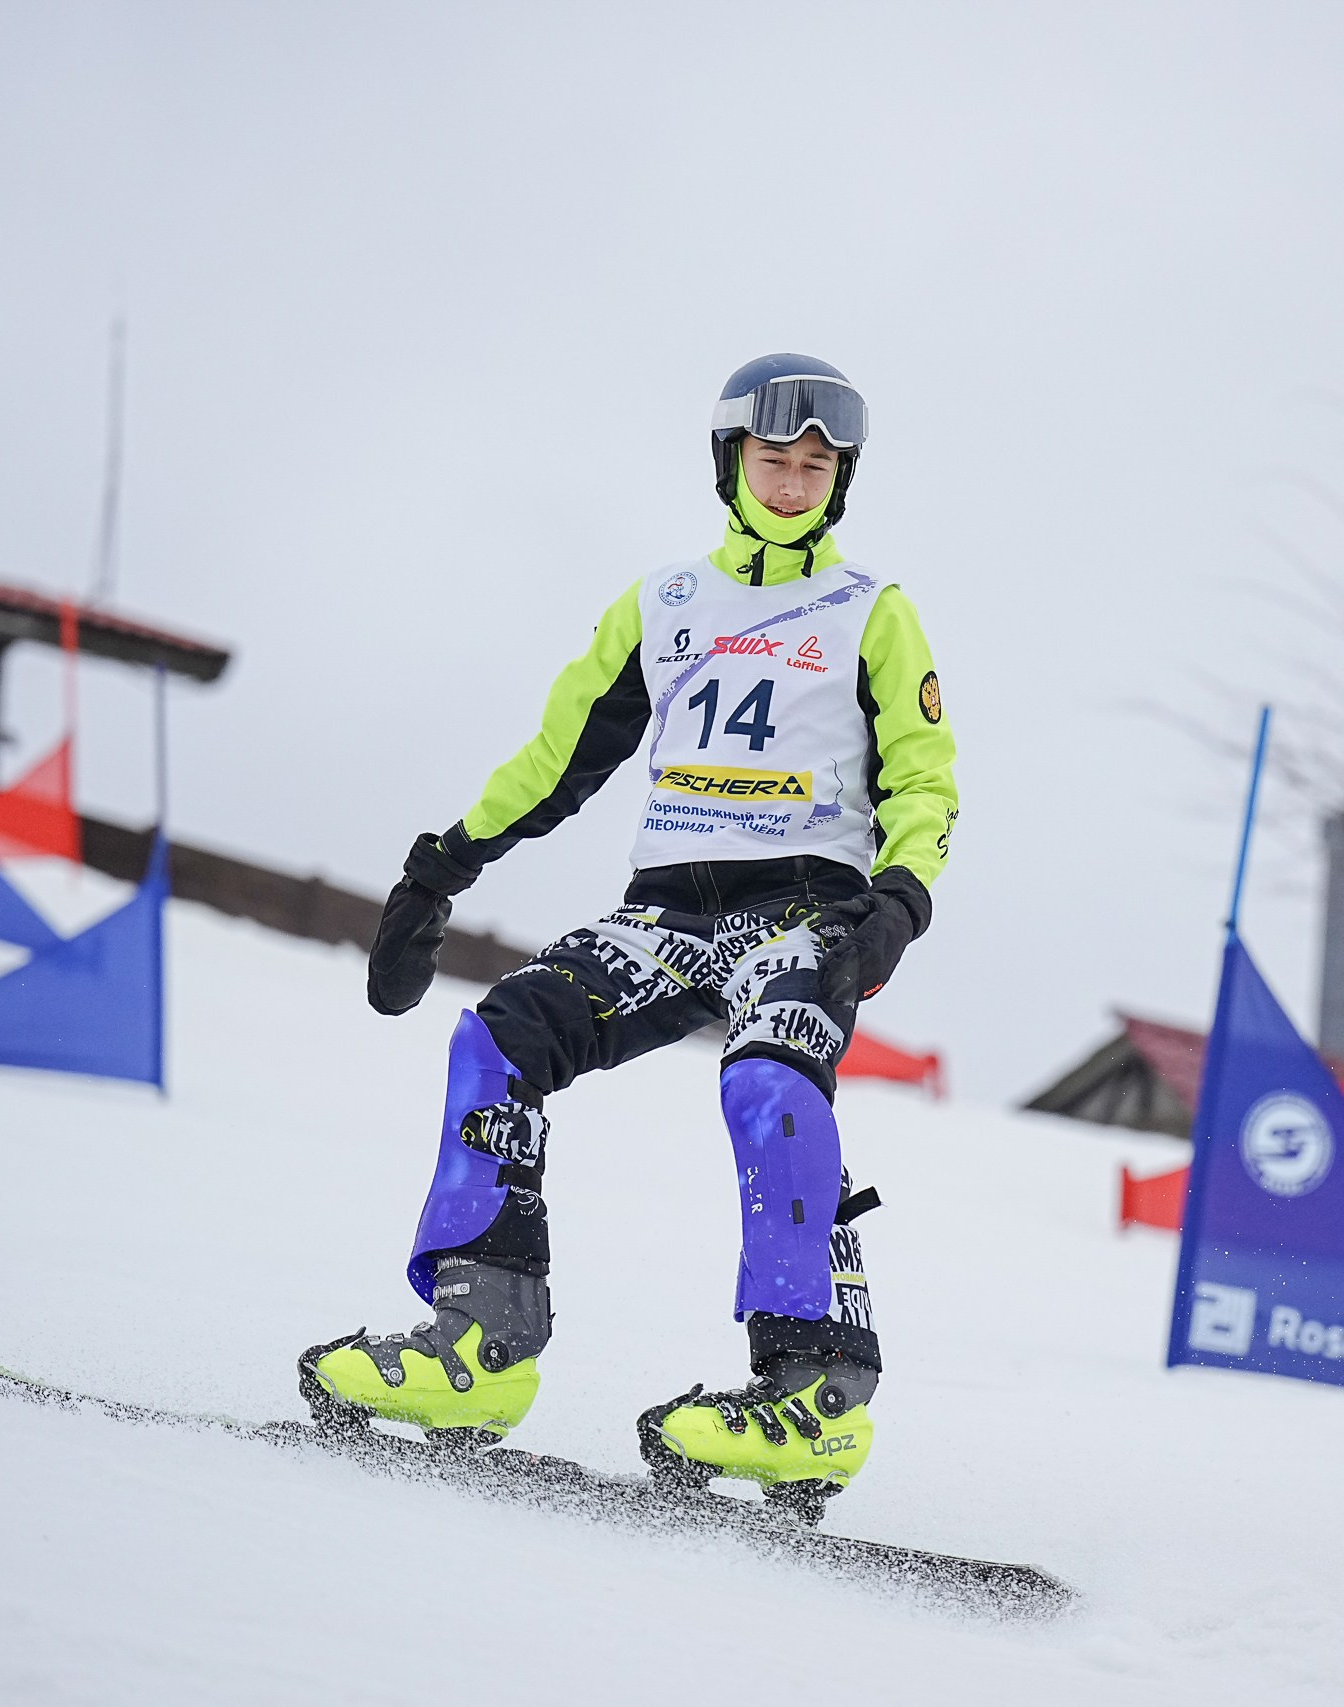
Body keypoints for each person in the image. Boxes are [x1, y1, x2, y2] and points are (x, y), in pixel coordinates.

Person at [304, 354, 958, 1518]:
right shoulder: (662, 606)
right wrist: (440, 864)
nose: (796, 478)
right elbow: (558, 760)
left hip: (805, 910)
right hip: (666, 914)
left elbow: (924, 778)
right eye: (775, 458)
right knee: (497, 1040)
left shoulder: (873, 612)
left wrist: (897, 900)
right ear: (731, 461)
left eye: (819, 465)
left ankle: (812, 1387)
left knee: (769, 1086)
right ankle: (481, 1340)